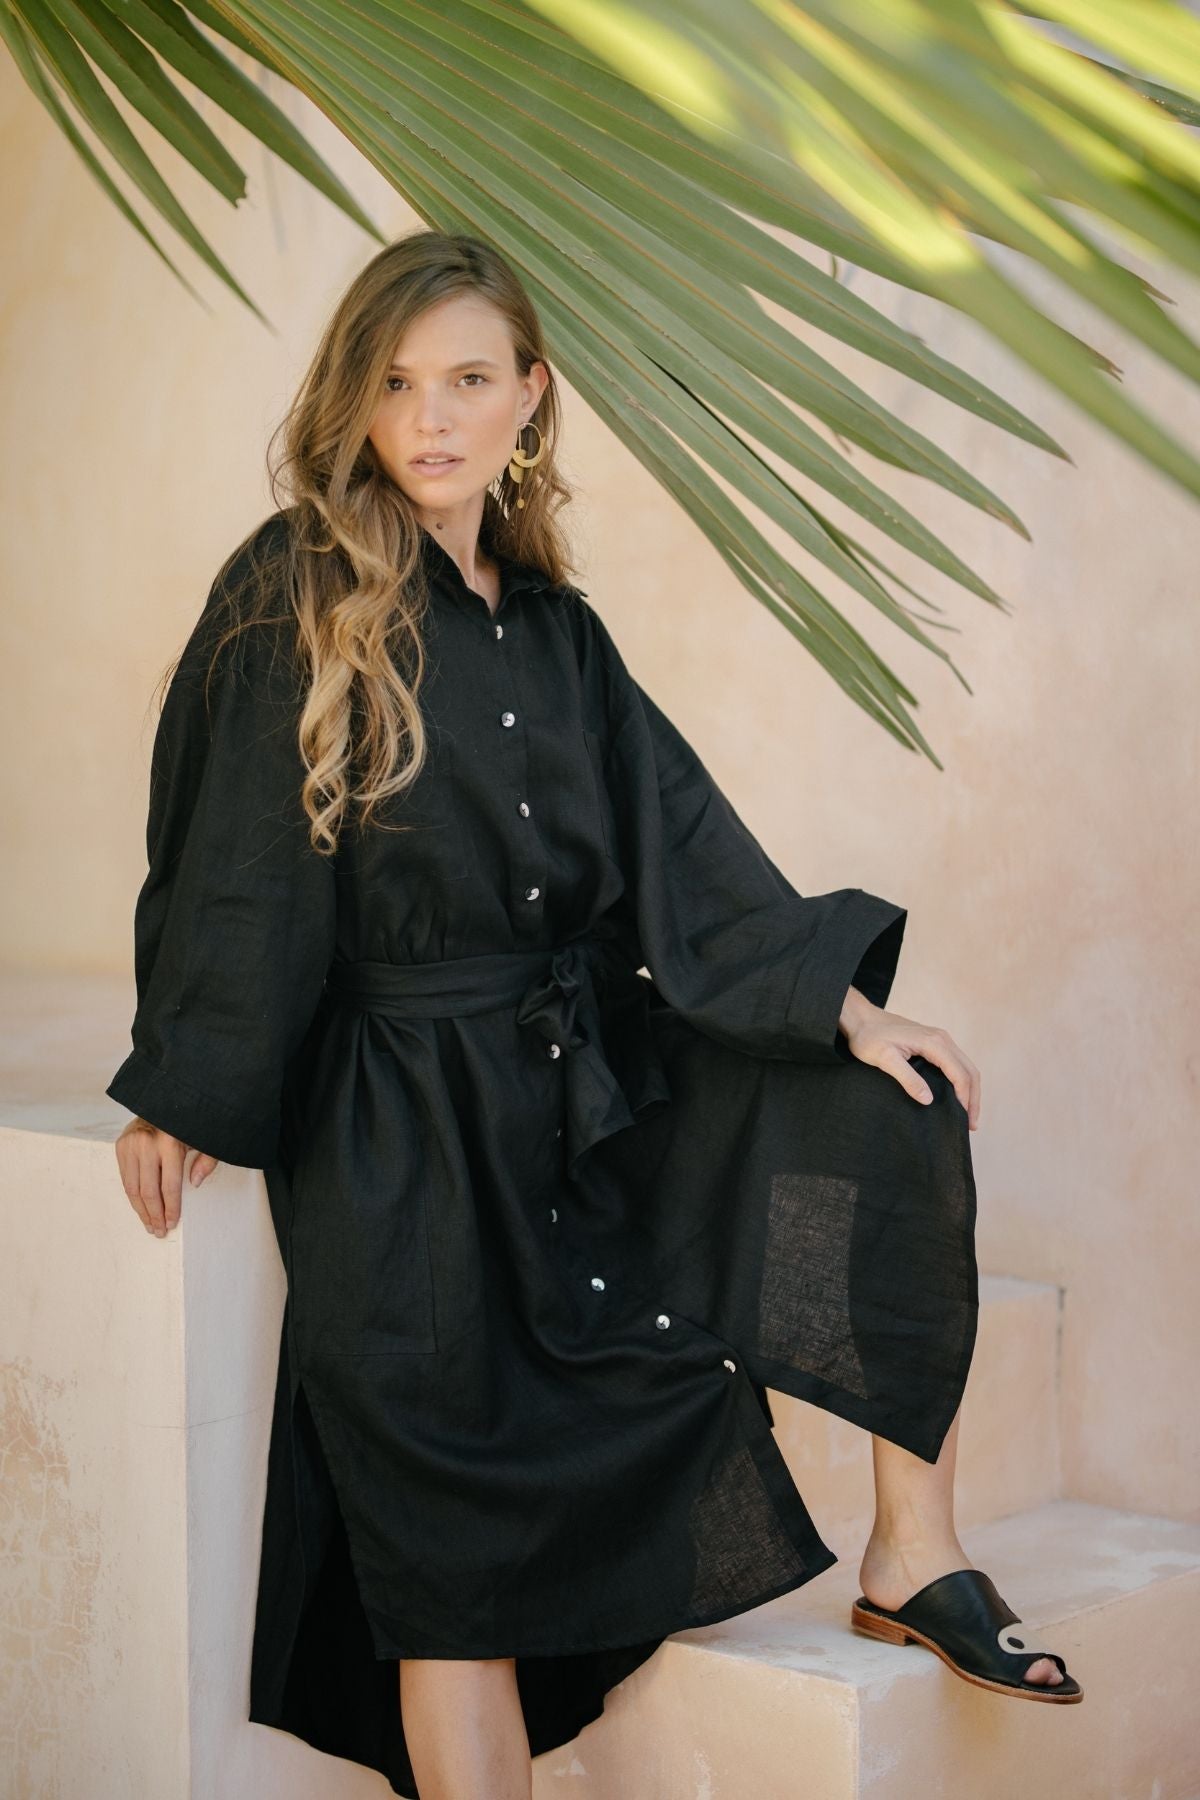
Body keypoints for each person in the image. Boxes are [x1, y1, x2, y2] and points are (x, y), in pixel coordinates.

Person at [107, 229, 1081, 1800]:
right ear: (356, 402)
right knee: (451, 1557)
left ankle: (914, 1557)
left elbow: (673, 844)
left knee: (887, 1107)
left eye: (470, 381)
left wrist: (834, 1004)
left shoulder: (554, 627)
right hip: (397, 1134)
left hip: (569, 1089)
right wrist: (192, 1081)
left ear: (530, 396)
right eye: (398, 384)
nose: (431, 420)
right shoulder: (296, 584)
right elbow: (231, 858)